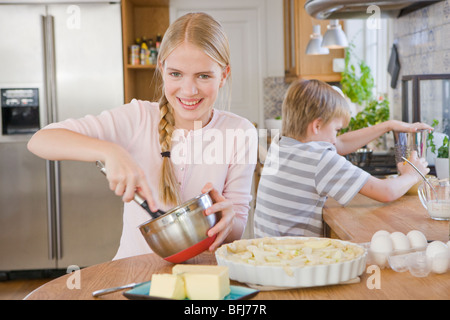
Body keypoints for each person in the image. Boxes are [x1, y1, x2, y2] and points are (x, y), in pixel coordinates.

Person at [27, 12, 257, 259]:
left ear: (223, 75)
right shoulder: (138, 118)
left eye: (203, 76)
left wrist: (227, 217)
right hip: (133, 274)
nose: (189, 90)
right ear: (162, 68)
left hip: (206, 276)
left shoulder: (240, 132)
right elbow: (41, 140)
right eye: (176, 74)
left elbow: (236, 230)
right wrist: (109, 151)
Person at [254, 79, 431, 238]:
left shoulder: (280, 146)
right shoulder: (319, 159)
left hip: (266, 256)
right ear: (317, 125)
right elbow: (386, 192)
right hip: (294, 262)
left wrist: (389, 125)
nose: (334, 138)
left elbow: (338, 144)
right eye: (336, 129)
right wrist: (413, 174)